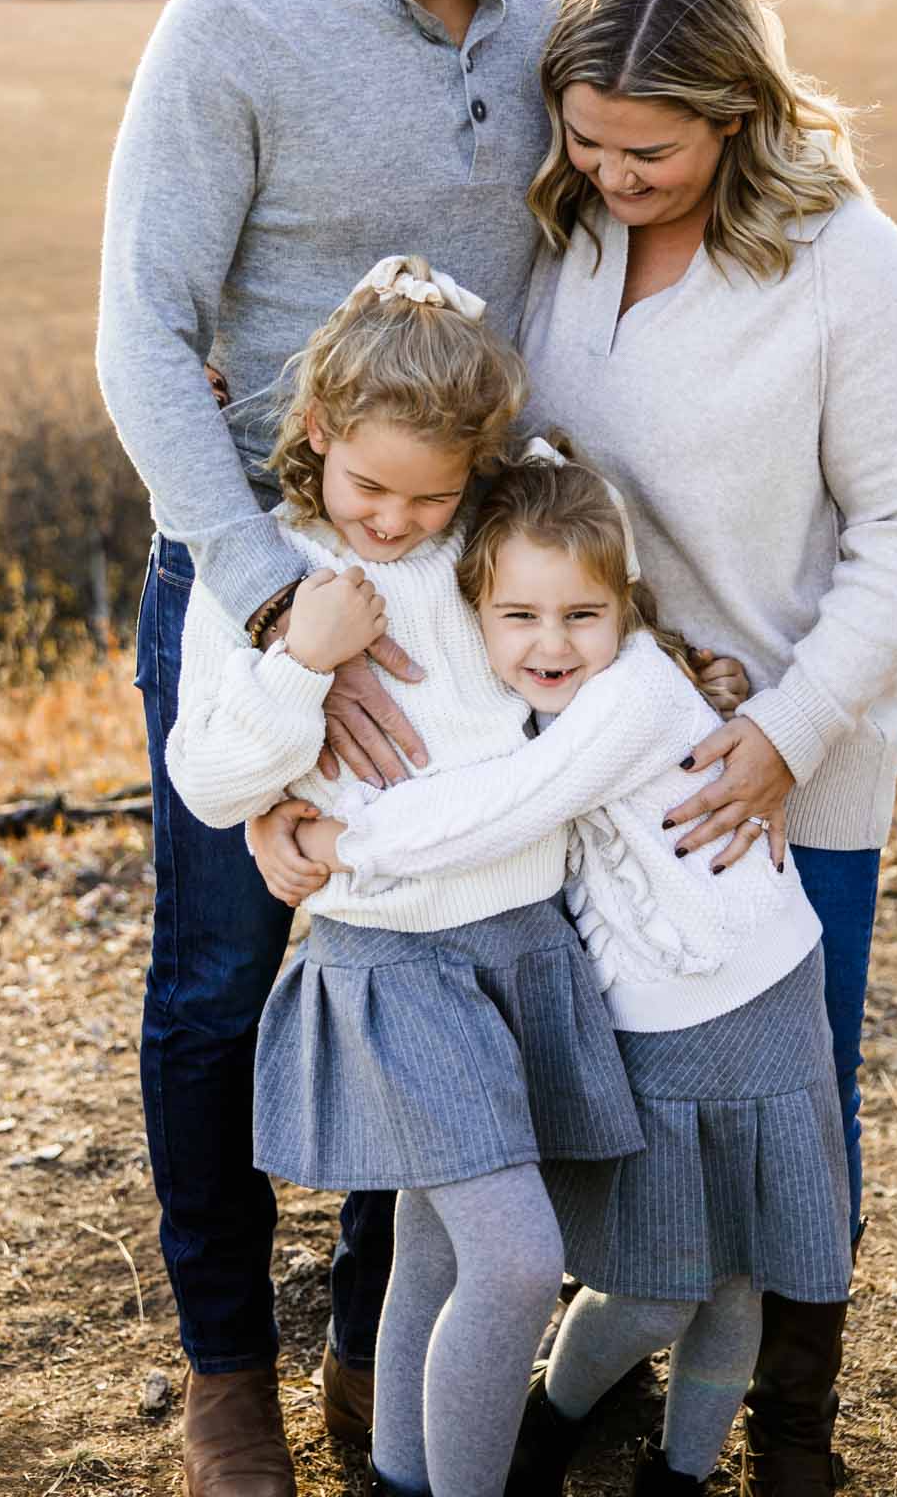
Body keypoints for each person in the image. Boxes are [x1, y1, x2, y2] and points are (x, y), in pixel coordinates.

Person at [96, 0, 594, 1495]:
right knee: (220, 989)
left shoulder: (558, 23)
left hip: (469, 611)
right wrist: (267, 604)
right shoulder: (231, 23)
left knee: (442, 977)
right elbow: (142, 334)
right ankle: (228, 1369)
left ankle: (380, 1349)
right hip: (249, 591)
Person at [516, 0, 897, 1494]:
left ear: (738, 114)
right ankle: (628, 1360)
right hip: (598, 757)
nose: (611, 173)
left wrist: (784, 736)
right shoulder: (568, 233)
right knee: (622, 1077)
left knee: (786, 1106)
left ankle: (789, 1431)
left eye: (649, 148)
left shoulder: (847, 264)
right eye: (583, 139)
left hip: (788, 763)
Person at [261, 442, 853, 1496]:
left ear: (622, 608)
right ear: (475, 613)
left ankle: (673, 1470)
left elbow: (507, 806)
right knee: (656, 1274)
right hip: (649, 1015)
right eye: (519, 615)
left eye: (581, 613)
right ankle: (539, 1427)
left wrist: (343, 843)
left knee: (726, 1274)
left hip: (749, 1000)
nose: (550, 641)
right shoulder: (533, 700)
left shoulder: (629, 696)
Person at [165, 262, 646, 1497]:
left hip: (523, 946)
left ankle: (401, 1475)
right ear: (315, 430)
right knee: (514, 1257)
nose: (390, 519)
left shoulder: (486, 533)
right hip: (397, 965)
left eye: (429, 494)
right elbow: (211, 777)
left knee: (435, 1250)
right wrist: (299, 662)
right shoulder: (273, 574)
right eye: (368, 483)